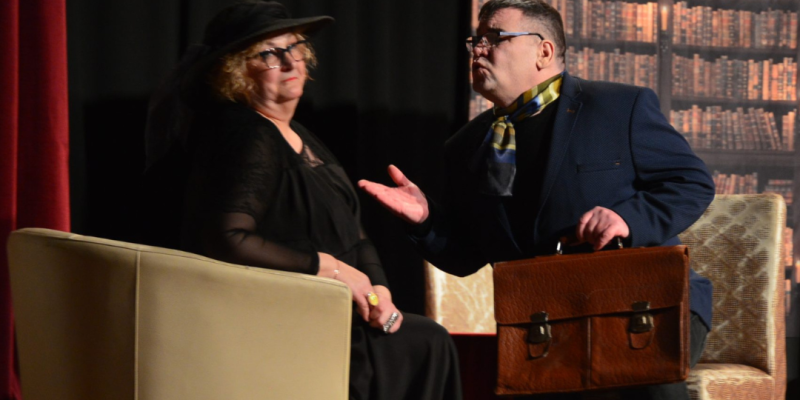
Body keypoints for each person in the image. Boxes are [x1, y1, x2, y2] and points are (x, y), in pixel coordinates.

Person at [358, 1, 714, 399]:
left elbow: (691, 182)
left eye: (495, 38)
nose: (478, 49)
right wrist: (425, 220)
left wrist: (626, 220)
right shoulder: (466, 146)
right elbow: (465, 256)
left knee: (636, 381)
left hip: (643, 306)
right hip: (547, 321)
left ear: (543, 51)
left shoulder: (618, 107)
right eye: (476, 40)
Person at [143, 2, 462, 399]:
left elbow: (356, 236)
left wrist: (380, 291)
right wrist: (330, 268)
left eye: (293, 47)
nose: (289, 61)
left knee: (425, 340)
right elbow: (226, 238)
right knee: (426, 343)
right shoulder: (248, 134)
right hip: (284, 319)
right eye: (268, 54)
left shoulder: (301, 136)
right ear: (235, 72)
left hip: (330, 310)